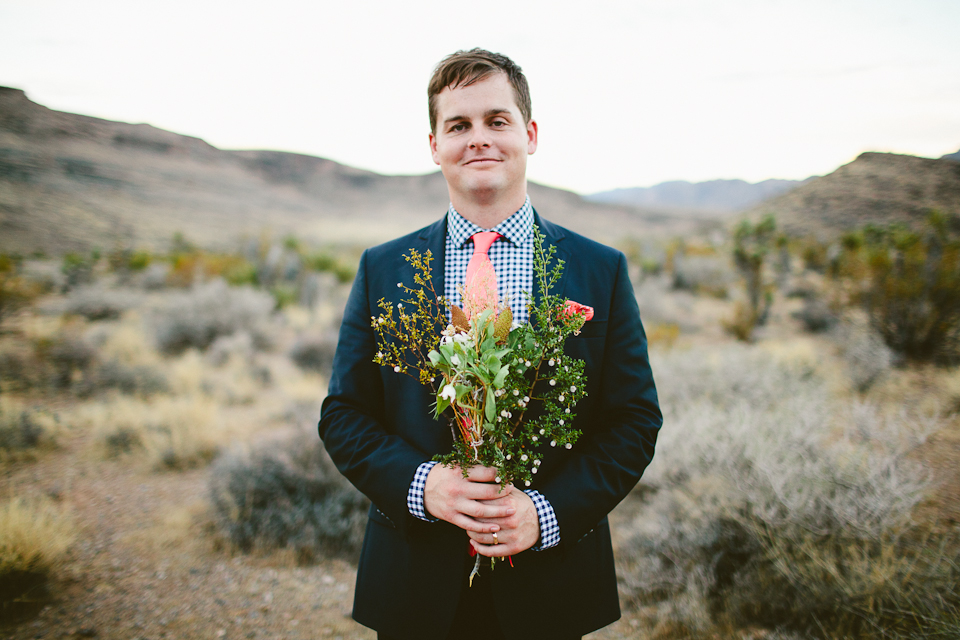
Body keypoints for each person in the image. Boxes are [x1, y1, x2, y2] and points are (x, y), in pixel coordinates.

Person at [319, 48, 661, 640]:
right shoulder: (384, 268)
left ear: (528, 134)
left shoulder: (599, 270)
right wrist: (426, 485)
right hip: (414, 587)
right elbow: (343, 415)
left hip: (548, 589)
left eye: (496, 121)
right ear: (434, 146)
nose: (479, 139)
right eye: (458, 125)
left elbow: (633, 421)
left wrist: (545, 515)